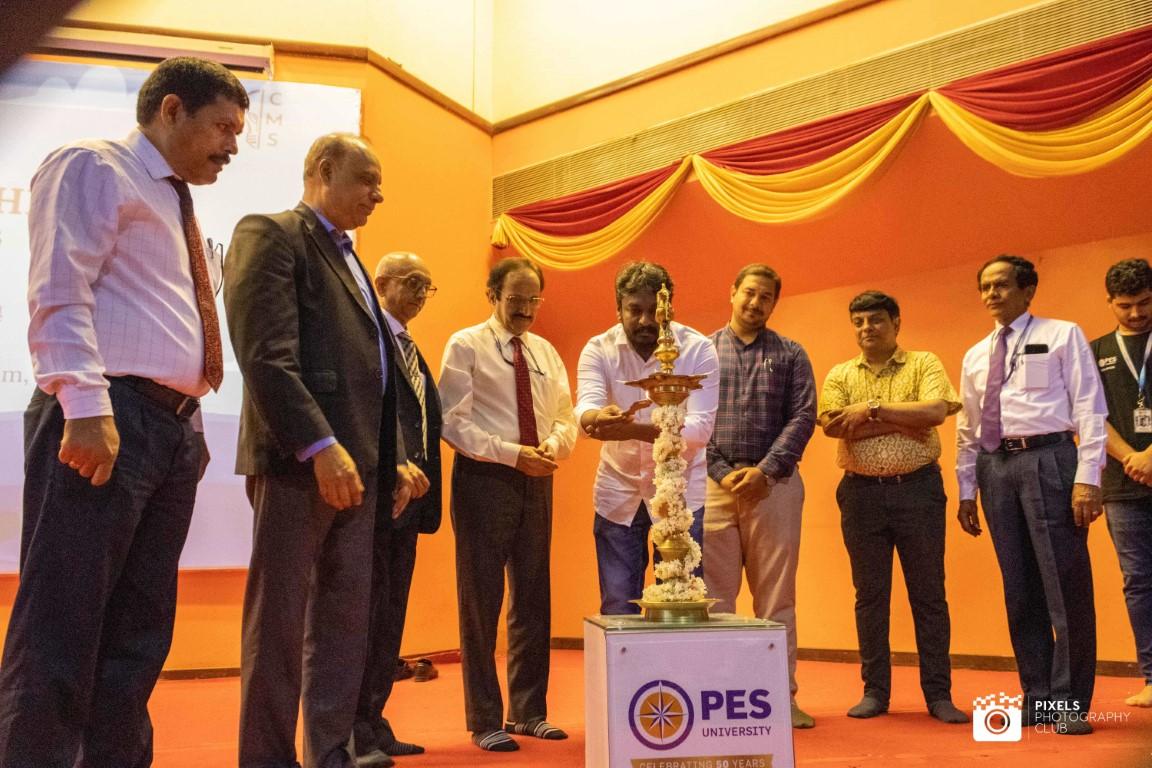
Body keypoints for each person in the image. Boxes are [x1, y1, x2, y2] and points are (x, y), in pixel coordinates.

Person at [0, 57, 247, 767]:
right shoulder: (95, 166)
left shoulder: (174, 200)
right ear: (171, 109)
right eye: (223, 127)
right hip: (106, 415)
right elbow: (58, 287)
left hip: (169, 430)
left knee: (139, 633)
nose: (233, 146)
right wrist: (84, 405)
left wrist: (187, 425)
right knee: (62, 625)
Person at [225, 133, 414, 768]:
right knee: (278, 628)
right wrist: (320, 446)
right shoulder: (272, 234)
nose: (378, 195)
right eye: (368, 180)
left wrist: (389, 459)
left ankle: (330, 753)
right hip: (299, 466)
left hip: (359, 472)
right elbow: (265, 357)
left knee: (342, 625)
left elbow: (373, 374)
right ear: (325, 171)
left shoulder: (353, 258)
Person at [957, 255, 1106, 735]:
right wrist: (966, 488)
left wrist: (1089, 477)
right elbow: (968, 427)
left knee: (1065, 585)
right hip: (996, 467)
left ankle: (1070, 703)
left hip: (1050, 459)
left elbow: (1090, 407)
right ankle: (1037, 697)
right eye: (985, 287)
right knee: (1019, 589)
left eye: (1001, 285)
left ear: (1028, 290)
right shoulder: (975, 354)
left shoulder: (1062, 335)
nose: (991, 294)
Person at [439, 257, 577, 752]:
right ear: (492, 295)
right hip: (485, 478)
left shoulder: (545, 351)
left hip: (537, 477)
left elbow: (565, 417)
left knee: (534, 595)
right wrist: (511, 453)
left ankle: (529, 711)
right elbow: (451, 421)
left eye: (533, 299)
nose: (525, 309)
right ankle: (484, 718)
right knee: (481, 601)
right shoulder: (466, 345)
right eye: (515, 299)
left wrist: (551, 447)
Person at [819, 290, 968, 724]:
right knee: (870, 596)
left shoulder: (924, 363)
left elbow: (935, 412)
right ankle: (875, 692)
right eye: (859, 322)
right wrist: (903, 421)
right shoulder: (840, 373)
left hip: (918, 490)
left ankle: (938, 695)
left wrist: (870, 410)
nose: (867, 328)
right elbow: (832, 427)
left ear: (896, 322)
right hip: (860, 495)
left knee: (929, 594)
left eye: (876, 320)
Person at [705, 264, 816, 728]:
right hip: (714, 488)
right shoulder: (703, 352)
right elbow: (691, 419)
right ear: (732, 292)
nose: (755, 303)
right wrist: (723, 472)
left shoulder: (791, 353)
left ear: (774, 303)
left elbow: (804, 416)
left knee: (776, 601)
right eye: (749, 292)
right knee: (714, 602)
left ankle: (780, 698)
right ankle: (715, 700)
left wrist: (765, 471)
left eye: (765, 296)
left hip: (776, 489)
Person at [575, 262, 718, 616]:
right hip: (618, 493)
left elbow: (700, 430)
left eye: (654, 310)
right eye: (634, 310)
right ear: (618, 309)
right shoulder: (598, 349)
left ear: (669, 307)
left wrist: (632, 430)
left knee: (681, 606)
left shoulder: (697, 349)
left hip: (681, 495)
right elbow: (586, 409)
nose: (645, 320)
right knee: (617, 606)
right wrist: (596, 419)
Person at [353, 252, 442, 766]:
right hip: (380, 498)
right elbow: (371, 413)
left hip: (410, 505)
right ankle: (353, 732)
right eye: (412, 282)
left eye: (428, 286)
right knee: (365, 620)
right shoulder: (371, 338)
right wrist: (393, 470)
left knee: (389, 620)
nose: (421, 294)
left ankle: (374, 721)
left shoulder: (407, 344)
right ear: (382, 283)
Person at [1092, 258, 1152, 709]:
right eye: (1125, 305)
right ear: (1109, 301)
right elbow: (1089, 415)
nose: (1136, 313)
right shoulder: (1095, 351)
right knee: (1139, 582)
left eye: (1145, 303)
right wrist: (1132, 456)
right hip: (1124, 484)